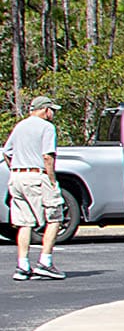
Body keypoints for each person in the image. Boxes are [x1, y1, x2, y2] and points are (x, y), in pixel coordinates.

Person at [7, 95, 64, 280]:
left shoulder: (20, 126)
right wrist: (52, 180)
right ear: (45, 110)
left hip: (16, 176)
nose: (52, 114)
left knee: (25, 222)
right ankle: (45, 262)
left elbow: (7, 152)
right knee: (55, 216)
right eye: (52, 110)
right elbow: (47, 156)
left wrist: (15, 168)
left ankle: (22, 265)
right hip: (37, 175)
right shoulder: (47, 127)